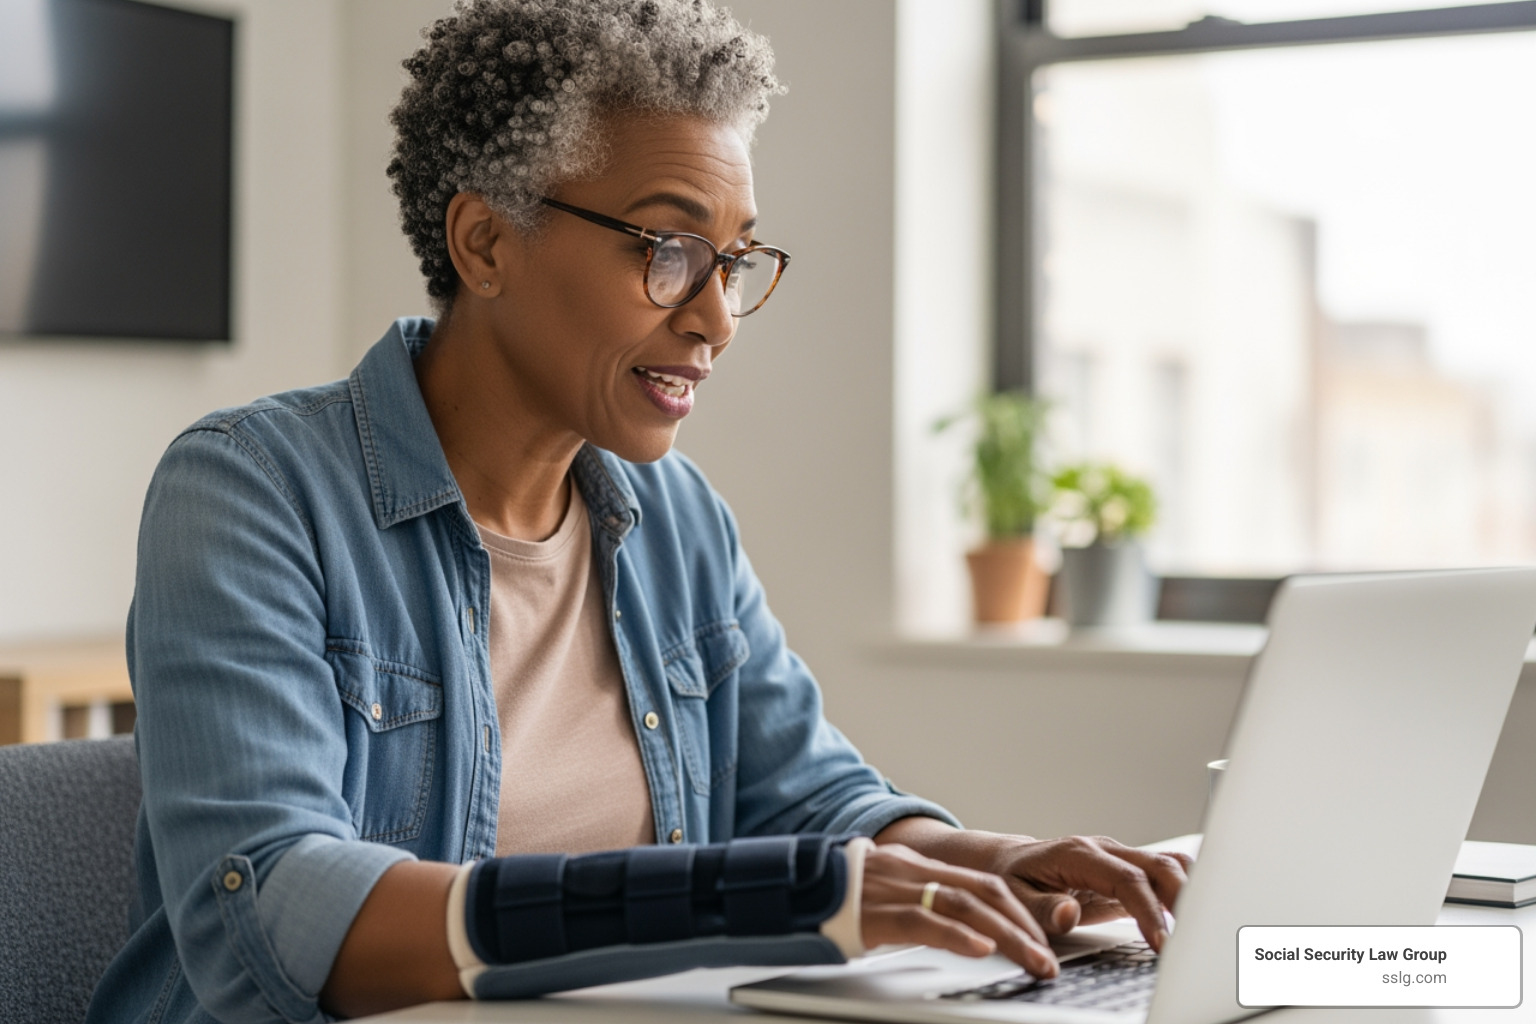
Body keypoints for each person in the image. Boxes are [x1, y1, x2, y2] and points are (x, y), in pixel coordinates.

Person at [87, 1, 1190, 1021]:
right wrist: (773, 895)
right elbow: (280, 907)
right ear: (485, 244)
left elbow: (807, 796)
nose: (716, 316)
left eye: (736, 259)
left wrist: (985, 866)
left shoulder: (674, 517)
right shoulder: (248, 491)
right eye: (668, 249)